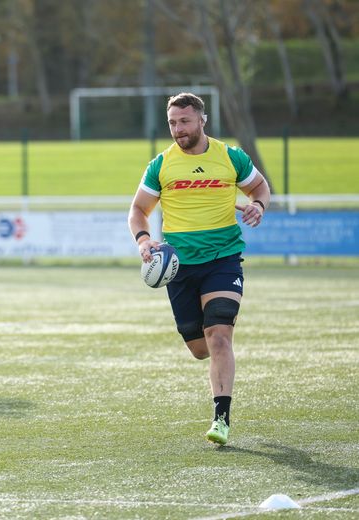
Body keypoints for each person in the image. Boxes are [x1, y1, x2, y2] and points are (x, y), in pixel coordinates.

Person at [128, 92, 270, 446]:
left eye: (185, 121)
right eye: (173, 123)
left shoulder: (230, 157)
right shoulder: (161, 164)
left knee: (219, 335)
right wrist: (144, 240)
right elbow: (138, 210)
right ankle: (219, 360)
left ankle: (221, 419)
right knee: (201, 347)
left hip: (223, 258)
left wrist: (258, 205)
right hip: (179, 266)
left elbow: (259, 187)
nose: (178, 129)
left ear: (202, 120)